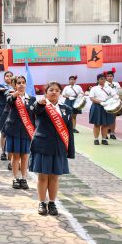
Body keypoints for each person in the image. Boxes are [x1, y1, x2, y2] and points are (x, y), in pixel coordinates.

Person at [29, 81, 75, 216]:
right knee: (43, 177)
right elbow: (35, 111)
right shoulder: (41, 106)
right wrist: (39, 104)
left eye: (57, 90)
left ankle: (52, 203)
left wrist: (70, 150)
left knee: (55, 177)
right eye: (51, 90)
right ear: (46, 92)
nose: (54, 92)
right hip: (42, 146)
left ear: (60, 93)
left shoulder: (66, 109)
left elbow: (69, 131)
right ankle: (42, 203)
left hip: (59, 147)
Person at [3, 76, 35, 190]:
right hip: (14, 130)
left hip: (26, 131)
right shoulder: (11, 96)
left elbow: (34, 115)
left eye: (23, 83)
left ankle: (23, 178)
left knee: (25, 155)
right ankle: (15, 177)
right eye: (19, 83)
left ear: (26, 84)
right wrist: (15, 95)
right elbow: (9, 102)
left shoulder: (32, 99)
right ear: (15, 85)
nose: (21, 85)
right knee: (16, 155)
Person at [89, 73, 117, 145]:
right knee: (97, 124)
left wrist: (115, 97)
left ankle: (104, 139)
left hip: (107, 106)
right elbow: (91, 98)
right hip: (97, 107)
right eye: (101, 79)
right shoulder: (94, 88)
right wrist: (100, 102)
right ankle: (96, 139)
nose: (103, 80)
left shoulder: (109, 88)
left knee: (106, 124)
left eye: (104, 79)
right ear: (98, 80)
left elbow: (114, 95)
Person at [0, 71, 14, 160]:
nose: (9, 78)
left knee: (12, 133)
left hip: (13, 111)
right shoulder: (1, 85)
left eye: (10, 76)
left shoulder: (15, 86)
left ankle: (11, 153)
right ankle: (3, 152)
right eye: (7, 76)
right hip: (2, 111)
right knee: (3, 133)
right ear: (4, 77)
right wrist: (8, 89)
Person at [104, 69, 120, 139]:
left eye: (111, 76)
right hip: (106, 102)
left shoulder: (116, 84)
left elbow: (119, 92)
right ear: (106, 77)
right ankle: (105, 133)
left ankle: (112, 133)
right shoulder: (104, 84)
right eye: (108, 76)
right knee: (105, 118)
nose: (109, 77)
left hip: (114, 102)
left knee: (113, 118)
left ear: (113, 77)